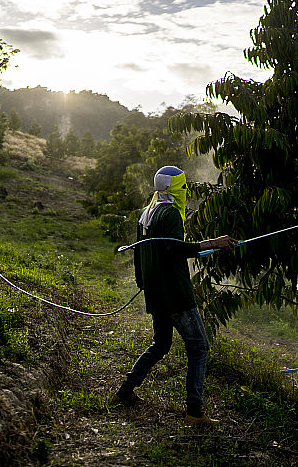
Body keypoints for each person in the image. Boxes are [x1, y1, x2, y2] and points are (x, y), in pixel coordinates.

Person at [110, 166, 236, 426]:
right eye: (183, 185)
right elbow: (173, 249)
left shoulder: (147, 212)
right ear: (176, 187)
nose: (186, 190)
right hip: (175, 294)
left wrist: (144, 283)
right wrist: (214, 243)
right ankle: (194, 411)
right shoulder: (170, 214)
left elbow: (138, 253)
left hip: (156, 295)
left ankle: (125, 390)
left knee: (161, 344)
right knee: (199, 347)